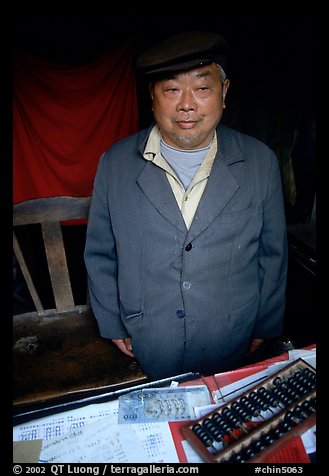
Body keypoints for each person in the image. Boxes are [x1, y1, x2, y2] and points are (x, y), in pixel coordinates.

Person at [84, 31, 288, 381]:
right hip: (147, 339)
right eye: (172, 89)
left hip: (231, 338)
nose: (187, 105)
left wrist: (266, 323)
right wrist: (111, 320)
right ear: (152, 96)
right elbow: (100, 252)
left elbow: (272, 253)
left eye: (202, 88)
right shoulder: (115, 163)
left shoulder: (259, 162)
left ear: (224, 92)